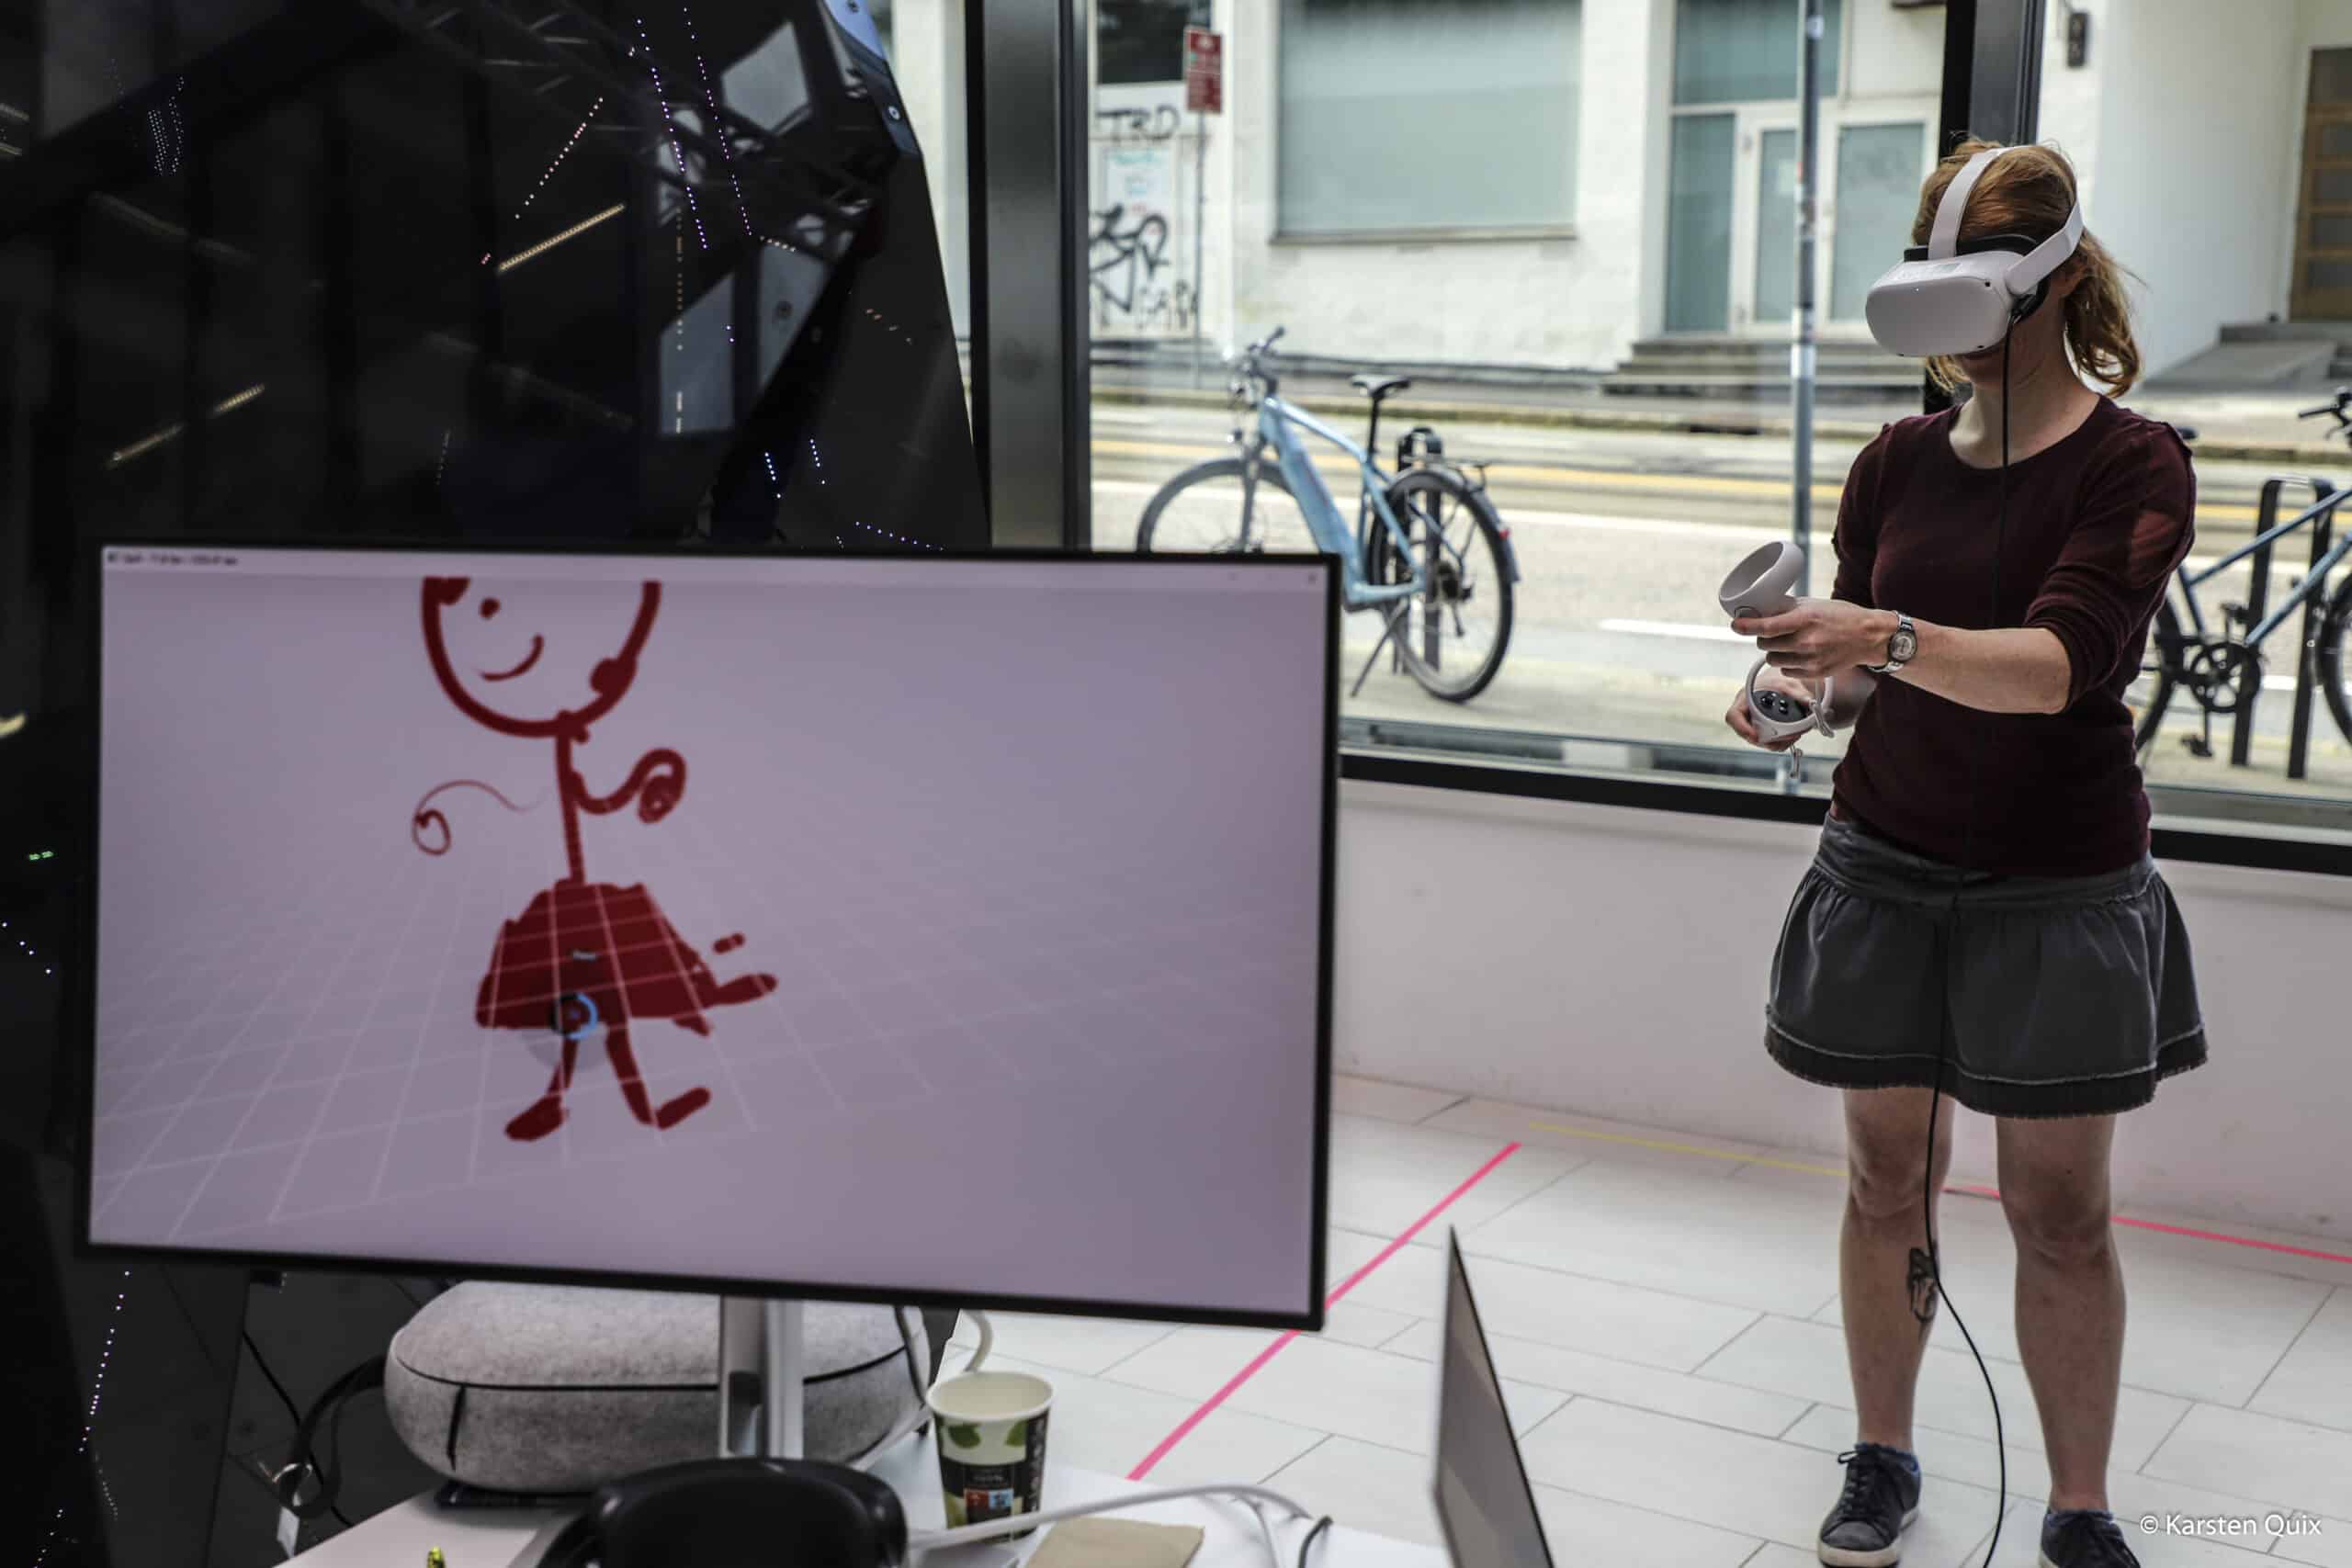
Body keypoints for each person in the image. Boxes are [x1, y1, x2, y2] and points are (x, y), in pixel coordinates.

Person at [1724, 140, 2203, 1568]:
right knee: (1886, 1181)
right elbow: (1863, 680)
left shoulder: (2135, 464)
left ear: (2050, 287)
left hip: (2058, 887)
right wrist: (1801, 685)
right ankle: (1883, 1454)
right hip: (1884, 863)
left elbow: (2058, 667)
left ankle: (2078, 1503)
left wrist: (1877, 636)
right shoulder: (1893, 463)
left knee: (2060, 1211)